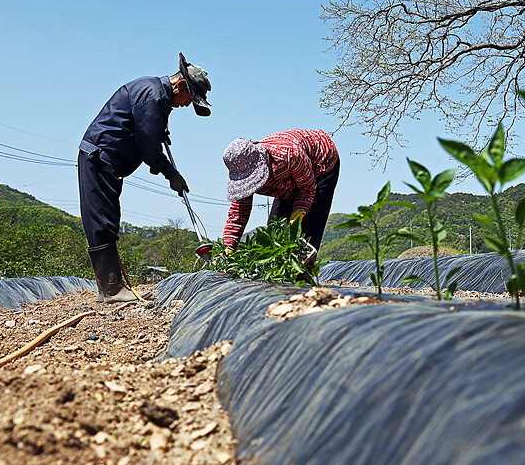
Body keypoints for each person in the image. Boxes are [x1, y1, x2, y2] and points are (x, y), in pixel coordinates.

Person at [79, 53, 211, 301]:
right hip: (100, 157)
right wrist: (171, 174)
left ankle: (112, 288)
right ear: (180, 85)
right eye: (189, 99)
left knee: (108, 218)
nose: (186, 105)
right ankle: (111, 290)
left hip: (110, 162)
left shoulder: (159, 99)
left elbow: (148, 134)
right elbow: (148, 147)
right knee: (101, 220)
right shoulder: (152, 94)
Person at [221, 130, 339, 266]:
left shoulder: (289, 155)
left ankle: (304, 274)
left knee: (306, 231)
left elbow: (307, 189)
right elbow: (239, 212)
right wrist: (229, 245)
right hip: (290, 177)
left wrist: (298, 213)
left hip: (320, 162)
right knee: (274, 231)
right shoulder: (243, 170)